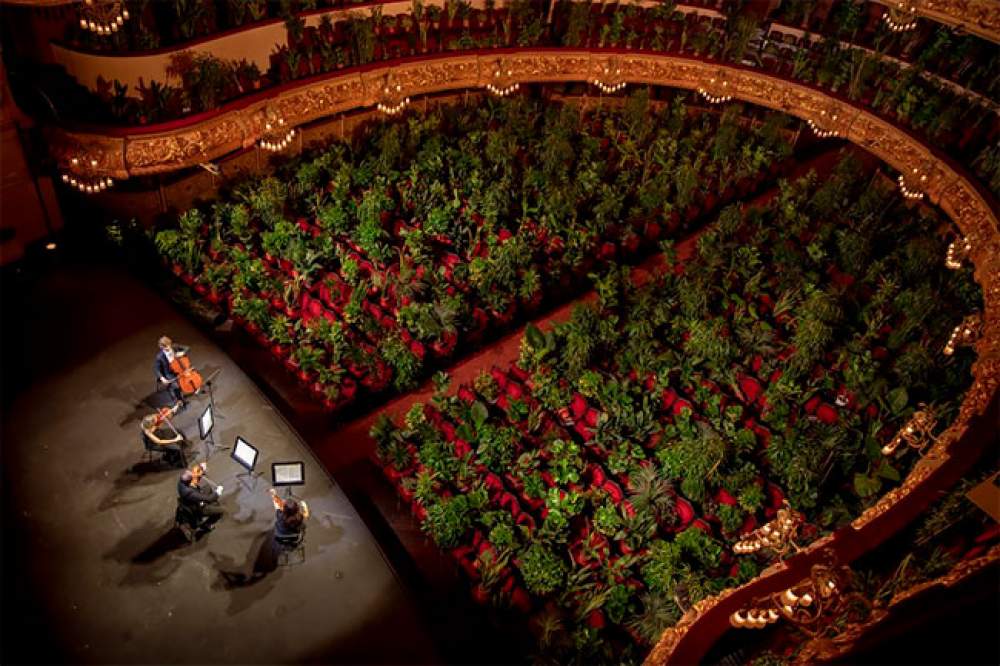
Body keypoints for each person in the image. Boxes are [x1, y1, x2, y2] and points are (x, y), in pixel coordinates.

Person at [178, 463, 224, 530]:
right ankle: (207, 525)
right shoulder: (189, 492)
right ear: (189, 481)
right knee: (221, 511)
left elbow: (195, 477)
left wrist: (201, 468)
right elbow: (209, 499)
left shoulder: (181, 482)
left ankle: (212, 506)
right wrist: (218, 492)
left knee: (207, 487)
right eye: (192, 478)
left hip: (190, 501)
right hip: (198, 508)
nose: (194, 477)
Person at [154, 336, 189, 404]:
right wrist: (162, 378)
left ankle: (187, 388)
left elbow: (186, 348)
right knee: (176, 386)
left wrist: (181, 353)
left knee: (185, 378)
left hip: (179, 368)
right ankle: (180, 399)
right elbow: (156, 369)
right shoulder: (159, 356)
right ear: (161, 347)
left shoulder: (174, 346)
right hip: (169, 372)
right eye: (166, 348)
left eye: (169, 346)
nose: (169, 348)